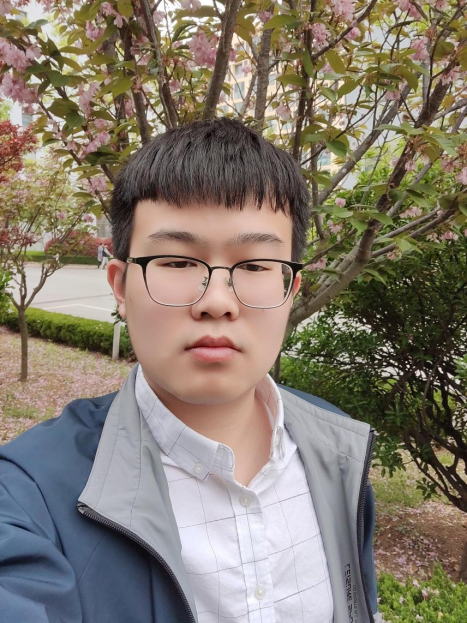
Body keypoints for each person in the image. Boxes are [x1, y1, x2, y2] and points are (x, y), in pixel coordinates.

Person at [0, 118, 380, 623]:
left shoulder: (336, 451)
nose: (217, 301)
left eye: (255, 266)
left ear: (291, 290)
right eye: (177, 262)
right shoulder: (28, 496)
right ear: (120, 285)